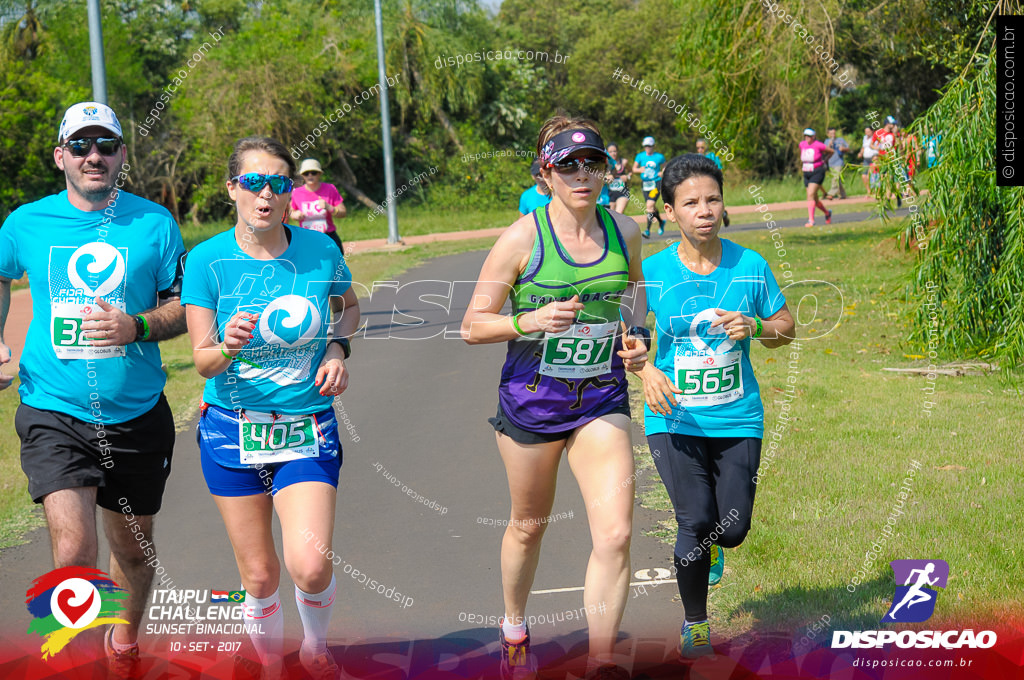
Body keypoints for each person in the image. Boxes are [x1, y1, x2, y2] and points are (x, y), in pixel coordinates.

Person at [0, 101, 186, 678]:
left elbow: (185, 308)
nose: (93, 156)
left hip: (134, 411)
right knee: (73, 553)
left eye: (105, 144)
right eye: (80, 146)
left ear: (122, 155)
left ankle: (123, 649)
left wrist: (137, 326)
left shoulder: (154, 224)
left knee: (131, 551)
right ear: (61, 157)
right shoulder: (25, 223)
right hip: (54, 409)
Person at [462, 117, 650, 680]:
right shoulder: (523, 238)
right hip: (532, 401)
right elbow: (473, 326)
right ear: (546, 174)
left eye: (592, 163)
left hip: (600, 395)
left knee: (616, 531)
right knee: (528, 523)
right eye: (567, 166)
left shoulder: (626, 232)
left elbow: (635, 300)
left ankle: (601, 661)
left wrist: (638, 341)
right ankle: (515, 624)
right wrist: (531, 319)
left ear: (606, 170)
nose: (581, 175)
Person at [182, 137, 361, 680]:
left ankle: (314, 648)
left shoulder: (319, 251)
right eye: (254, 182)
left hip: (306, 425)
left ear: (290, 193)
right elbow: (203, 363)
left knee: (308, 565)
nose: (266, 194)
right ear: (232, 188)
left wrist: (336, 346)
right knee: (259, 576)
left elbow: (349, 310)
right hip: (231, 432)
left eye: (278, 183)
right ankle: (271, 666)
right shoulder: (207, 260)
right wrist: (228, 345)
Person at [638, 154, 795, 658]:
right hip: (672, 417)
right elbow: (629, 338)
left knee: (732, 529)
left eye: (712, 198)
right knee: (695, 522)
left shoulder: (751, 266)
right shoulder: (650, 272)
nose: (704, 210)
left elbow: (785, 330)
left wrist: (758, 327)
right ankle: (696, 625)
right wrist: (645, 370)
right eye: (690, 202)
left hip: (738, 416)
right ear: (669, 211)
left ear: (724, 205)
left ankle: (714, 553)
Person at [289, 158, 347, 253]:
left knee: (336, 266)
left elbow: (343, 213)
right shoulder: (296, 193)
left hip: (328, 236)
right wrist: (295, 215)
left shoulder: (330, 189)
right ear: (302, 175)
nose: (310, 175)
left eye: (314, 172)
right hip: (306, 237)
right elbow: (291, 212)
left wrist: (329, 207)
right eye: (306, 173)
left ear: (319, 174)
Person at [632, 136, 666, 238]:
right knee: (651, 207)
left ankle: (647, 230)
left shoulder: (659, 157)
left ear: (653, 146)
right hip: (645, 184)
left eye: (650, 146)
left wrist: (662, 172)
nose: (648, 148)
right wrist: (639, 170)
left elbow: (665, 166)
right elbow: (634, 169)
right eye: (646, 146)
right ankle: (661, 222)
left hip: (656, 183)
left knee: (649, 205)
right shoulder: (640, 156)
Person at [798, 128, 832, 227]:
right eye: (806, 136)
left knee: (810, 194)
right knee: (814, 199)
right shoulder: (802, 144)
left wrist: (825, 160)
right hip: (806, 171)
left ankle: (811, 220)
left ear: (813, 137)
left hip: (817, 171)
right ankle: (827, 213)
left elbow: (831, 151)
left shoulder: (819, 145)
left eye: (809, 136)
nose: (807, 138)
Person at [871, 116, 902, 207]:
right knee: (886, 179)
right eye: (893, 123)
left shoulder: (894, 134)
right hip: (883, 159)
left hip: (893, 158)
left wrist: (896, 135)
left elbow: (899, 147)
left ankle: (897, 195)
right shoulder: (878, 133)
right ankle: (888, 199)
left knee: (896, 179)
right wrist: (876, 148)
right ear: (887, 124)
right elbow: (871, 144)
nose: (894, 125)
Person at [824, 127, 849, 199]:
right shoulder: (826, 141)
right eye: (831, 133)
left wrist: (843, 149)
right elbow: (824, 151)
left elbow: (848, 148)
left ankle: (831, 193)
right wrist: (829, 145)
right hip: (831, 162)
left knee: (836, 177)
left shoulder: (840, 140)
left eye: (834, 133)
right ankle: (842, 194)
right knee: (837, 179)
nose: (833, 135)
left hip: (839, 162)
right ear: (828, 134)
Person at [605, 144, 630, 214]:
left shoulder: (624, 162)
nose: (613, 153)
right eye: (610, 151)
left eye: (615, 151)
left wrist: (628, 177)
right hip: (610, 193)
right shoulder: (605, 164)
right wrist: (606, 179)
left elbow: (631, 171)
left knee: (619, 214)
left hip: (622, 192)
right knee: (611, 216)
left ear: (618, 151)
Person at [858, 126, 877, 193]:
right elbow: (863, 147)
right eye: (866, 132)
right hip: (866, 159)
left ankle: (874, 190)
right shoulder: (865, 138)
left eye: (868, 131)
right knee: (864, 176)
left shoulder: (875, 137)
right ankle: (869, 191)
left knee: (870, 175)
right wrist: (860, 153)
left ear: (872, 131)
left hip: (874, 158)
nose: (867, 133)